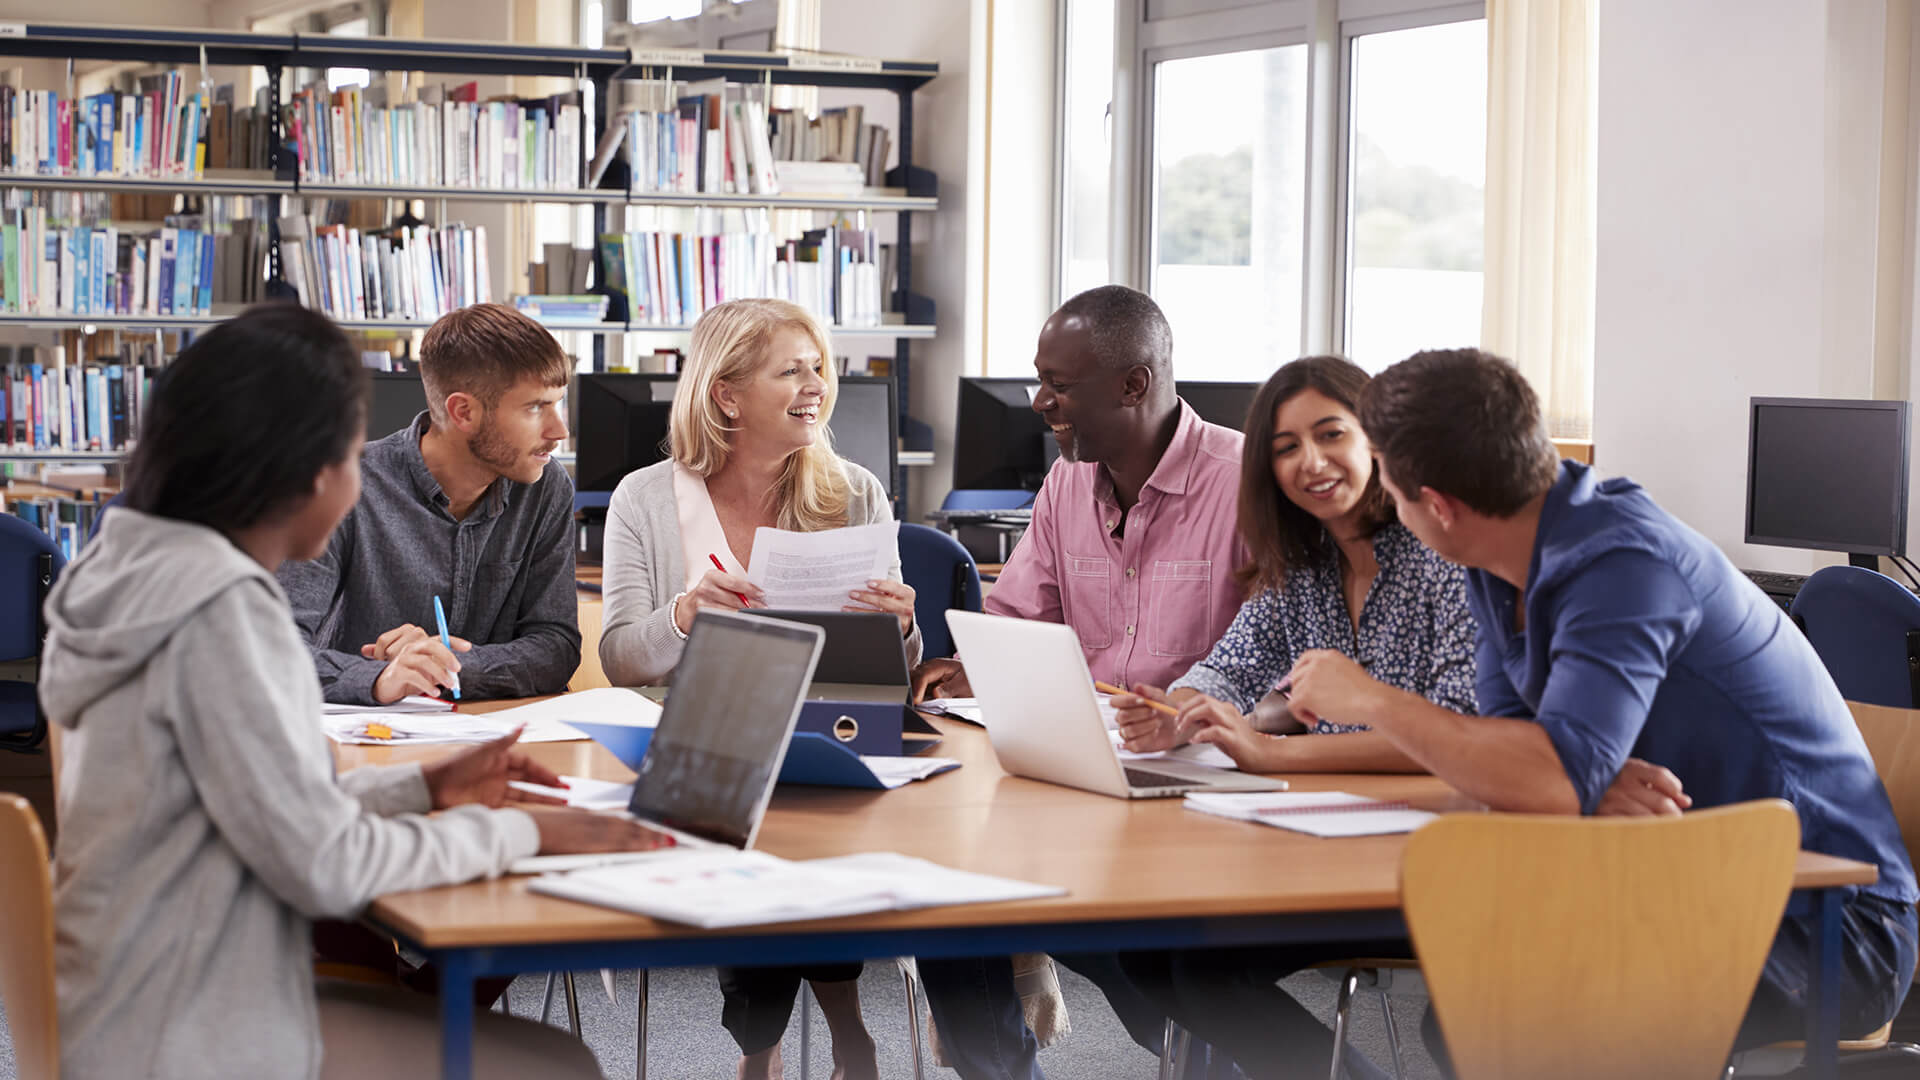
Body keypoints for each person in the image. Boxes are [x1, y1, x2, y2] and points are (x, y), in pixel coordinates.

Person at [42, 304, 672, 1080]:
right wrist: (526, 835)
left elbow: (260, 811)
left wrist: (420, 788)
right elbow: (326, 866)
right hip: (203, 1026)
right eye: (348, 456)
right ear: (307, 470)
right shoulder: (221, 611)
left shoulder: (137, 572)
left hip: (139, 991)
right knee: (555, 1064)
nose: (358, 482)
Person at [1281, 348, 1918, 1065]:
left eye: (1394, 495)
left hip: (1828, 923)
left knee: (1509, 1015)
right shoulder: (1498, 564)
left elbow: (1537, 776)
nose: (1390, 510)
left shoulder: (1624, 564)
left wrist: (1372, 700)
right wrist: (1575, 776)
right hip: (1677, 879)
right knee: (1471, 1012)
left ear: (1439, 508)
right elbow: (1505, 763)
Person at [910, 285, 1248, 1079]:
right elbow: (1020, 616)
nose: (1040, 401)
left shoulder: (1242, 484)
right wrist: (964, 667)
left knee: (1153, 969)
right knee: (947, 898)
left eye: (1060, 384)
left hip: (1199, 790)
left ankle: (1200, 1042)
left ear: (1134, 384)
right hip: (1080, 777)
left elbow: (1276, 658)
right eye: (1040, 379)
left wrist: (1190, 713)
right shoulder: (1065, 485)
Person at [597, 298, 919, 1080]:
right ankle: (809, 1039)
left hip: (831, 735)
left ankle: (767, 1051)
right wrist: (681, 615)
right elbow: (618, 660)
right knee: (753, 816)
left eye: (819, 368)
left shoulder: (855, 492)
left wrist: (902, 627)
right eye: (791, 370)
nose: (815, 386)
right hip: (703, 747)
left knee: (801, 819)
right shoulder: (644, 499)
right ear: (727, 394)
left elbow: (899, 674)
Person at [1109, 355, 1476, 771]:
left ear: (1374, 439)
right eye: (1287, 448)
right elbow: (1229, 671)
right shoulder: (1302, 565)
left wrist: (1274, 752)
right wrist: (1176, 717)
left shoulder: (1444, 552)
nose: (1313, 462)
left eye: (1331, 435)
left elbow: (1458, 732)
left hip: (1442, 817)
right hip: (1334, 810)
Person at [280, 302, 580, 705]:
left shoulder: (545, 487)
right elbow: (274, 647)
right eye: (535, 408)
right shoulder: (346, 483)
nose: (558, 430)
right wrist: (380, 678)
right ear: (463, 412)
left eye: (558, 403)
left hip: (490, 733)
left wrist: (442, 666)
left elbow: (556, 646)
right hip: (365, 737)